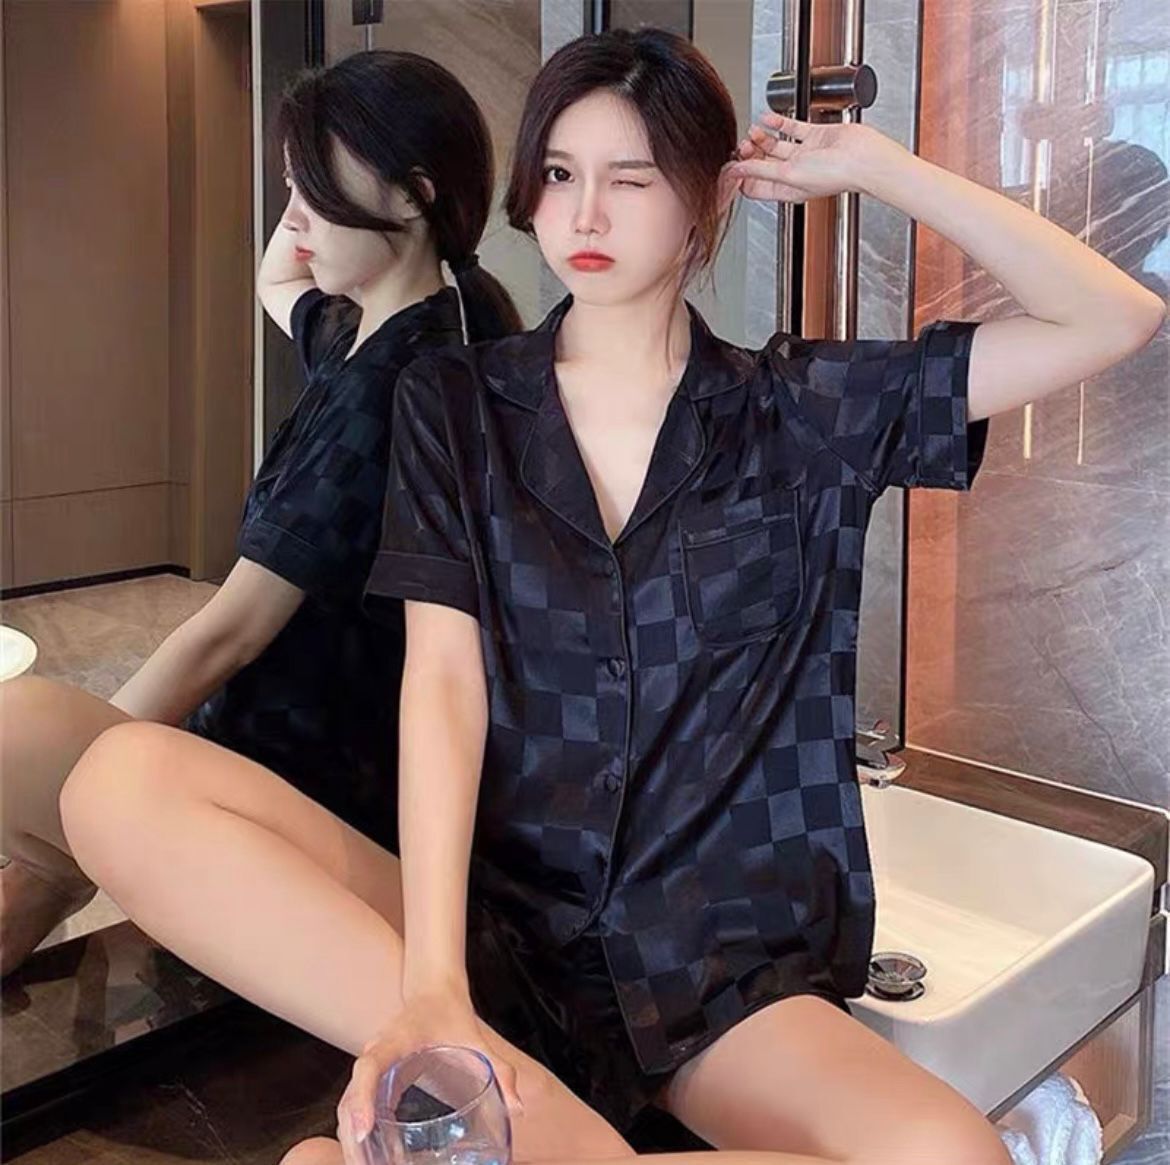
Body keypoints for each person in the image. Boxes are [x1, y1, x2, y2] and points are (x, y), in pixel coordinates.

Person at [63, 27, 1163, 1165]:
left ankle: (523, 1140)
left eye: (631, 180)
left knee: (950, 1154)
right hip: (495, 936)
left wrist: (880, 168)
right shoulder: (455, 403)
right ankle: (503, 1093)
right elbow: (442, 682)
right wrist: (432, 983)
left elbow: (1113, 316)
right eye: (560, 174)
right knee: (117, 778)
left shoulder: (808, 412)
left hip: (721, 973)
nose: (585, 214)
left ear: (705, 198)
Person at [0, 50, 520, 976]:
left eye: (314, 185)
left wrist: (89, 779)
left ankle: (52, 877)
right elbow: (276, 281)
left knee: (22, 736)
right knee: (41, 820)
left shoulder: (392, 391)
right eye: (292, 185)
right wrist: (305, 161)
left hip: (305, 790)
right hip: (272, 758)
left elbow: (227, 634)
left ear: (413, 196)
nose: (295, 215)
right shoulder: (372, 335)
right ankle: (42, 886)